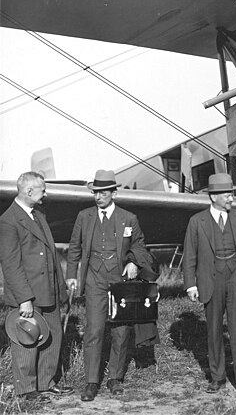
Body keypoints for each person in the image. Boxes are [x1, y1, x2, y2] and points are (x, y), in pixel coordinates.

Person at [66, 169, 155, 401]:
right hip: (94, 279)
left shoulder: (129, 218)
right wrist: (72, 275)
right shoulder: (84, 217)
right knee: (94, 330)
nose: (98, 196)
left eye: (103, 192)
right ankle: (91, 381)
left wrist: (134, 262)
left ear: (113, 192)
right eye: (95, 192)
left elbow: (139, 245)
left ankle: (115, 377)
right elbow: (74, 247)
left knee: (121, 331)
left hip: (120, 282)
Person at [182, 173, 236, 396]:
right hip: (210, 281)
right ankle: (218, 377)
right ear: (213, 197)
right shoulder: (197, 222)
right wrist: (191, 285)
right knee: (214, 331)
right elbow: (189, 256)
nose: (231, 198)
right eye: (226, 194)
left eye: (232, 193)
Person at [0, 172, 72, 401]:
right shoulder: (8, 220)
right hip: (28, 295)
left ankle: (45, 383)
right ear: (29, 192)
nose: (46, 194)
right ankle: (26, 390)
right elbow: (11, 265)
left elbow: (50, 253)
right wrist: (24, 299)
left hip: (48, 289)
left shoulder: (38, 214)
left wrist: (60, 288)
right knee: (27, 339)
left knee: (53, 337)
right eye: (42, 190)